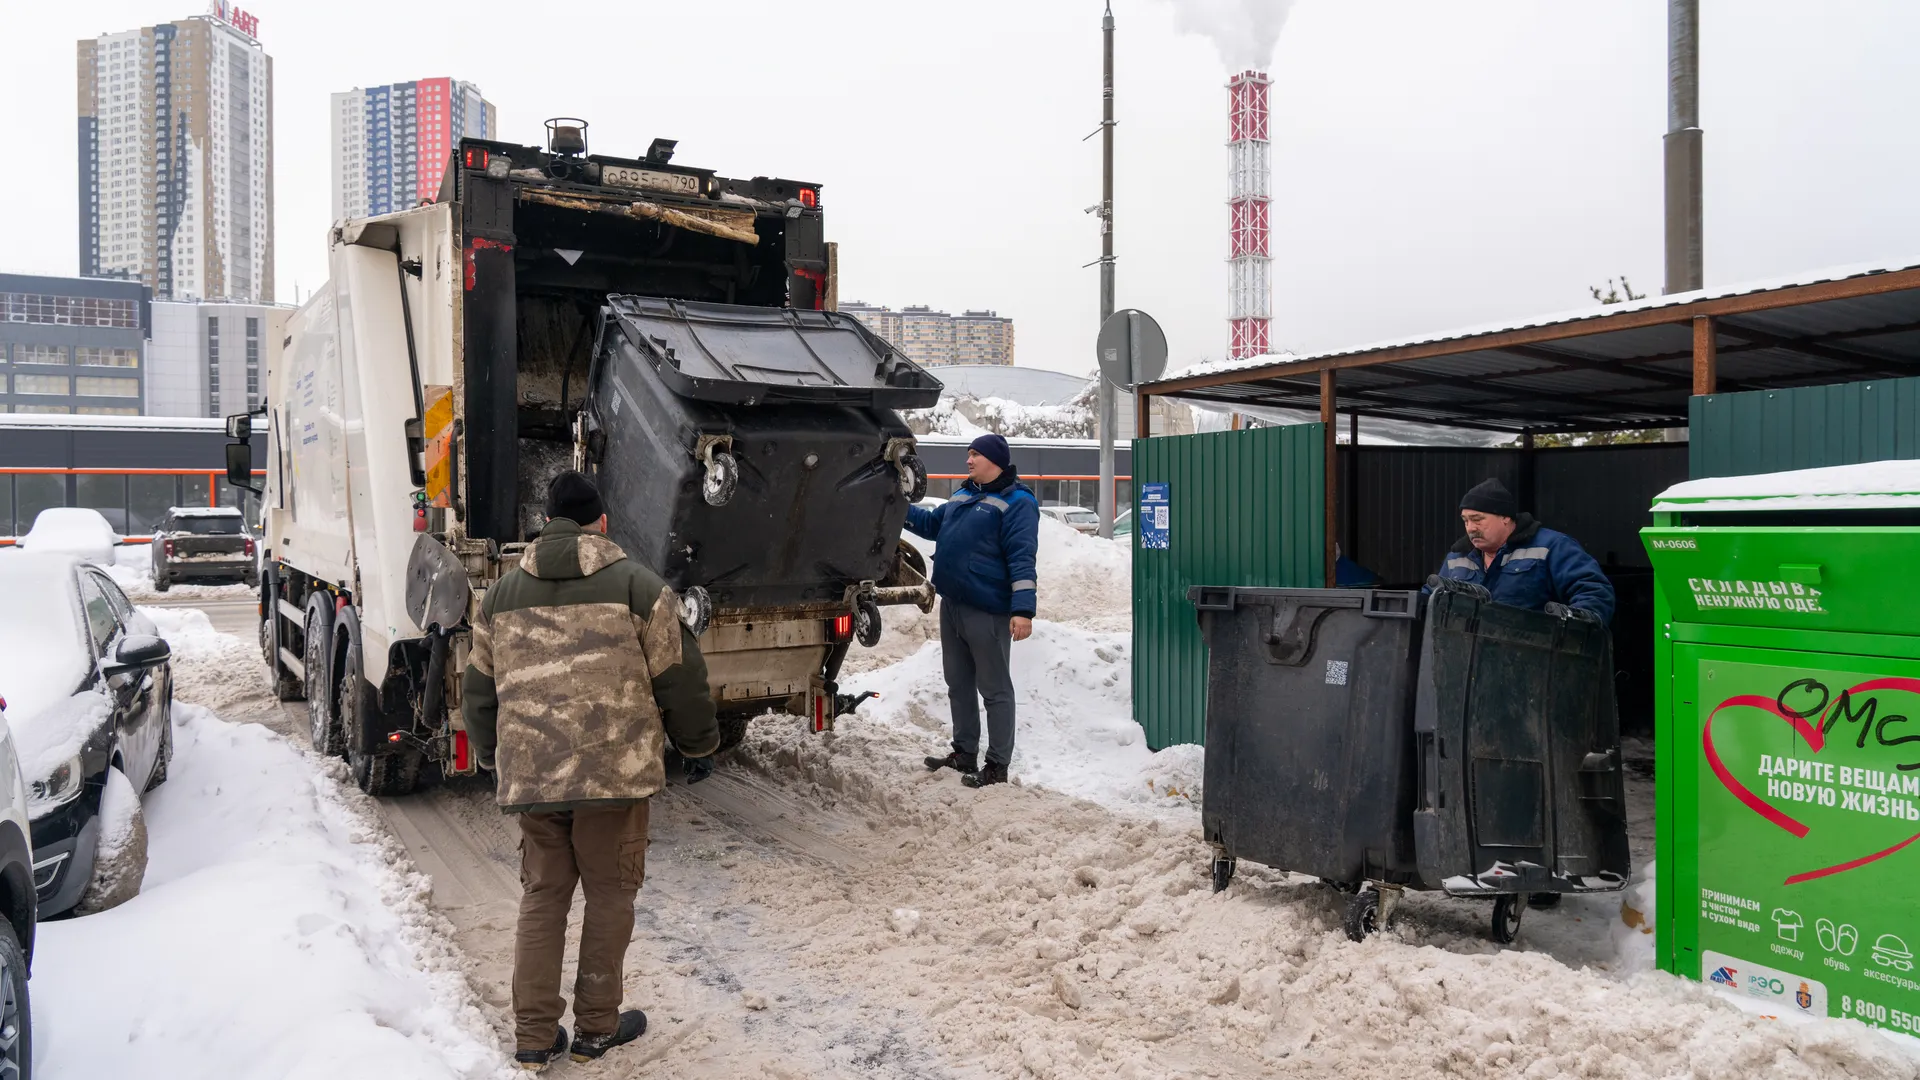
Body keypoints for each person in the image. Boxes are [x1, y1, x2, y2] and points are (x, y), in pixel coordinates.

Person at [463, 471, 719, 1071]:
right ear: (601, 522)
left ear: (544, 524)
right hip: (613, 777)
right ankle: (597, 1028)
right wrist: (698, 745)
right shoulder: (639, 587)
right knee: (609, 896)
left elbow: (478, 691)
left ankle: (533, 1035)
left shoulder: (499, 597)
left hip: (536, 778)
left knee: (543, 897)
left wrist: (491, 754)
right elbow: (680, 678)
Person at [904, 433, 1040, 788]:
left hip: (988, 609)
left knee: (994, 689)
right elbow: (931, 525)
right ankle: (964, 753)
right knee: (958, 683)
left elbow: (1022, 558)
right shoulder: (963, 495)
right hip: (953, 604)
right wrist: (896, 506)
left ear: (995, 460)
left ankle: (997, 766)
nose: (968, 460)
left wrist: (1023, 611)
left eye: (975, 454)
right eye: (968, 454)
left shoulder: (1017, 502)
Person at [1434, 478, 1616, 624]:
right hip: (1467, 654)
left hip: (1532, 654)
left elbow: (1594, 592)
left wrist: (1571, 633)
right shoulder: (1456, 557)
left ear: (1505, 517)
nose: (1470, 528)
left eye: (1477, 519)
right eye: (1466, 520)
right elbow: (1431, 600)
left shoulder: (1552, 547)